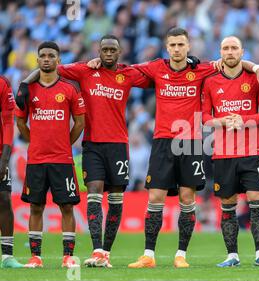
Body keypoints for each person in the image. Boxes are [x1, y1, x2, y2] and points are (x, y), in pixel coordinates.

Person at [123, 27, 259, 268]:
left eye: (181, 44)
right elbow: (128, 72)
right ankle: (148, 255)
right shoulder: (156, 67)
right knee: (155, 198)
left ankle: (181, 254)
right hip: (162, 140)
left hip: (191, 142)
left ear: (188, 46)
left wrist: (257, 67)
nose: (177, 49)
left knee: (187, 198)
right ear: (167, 46)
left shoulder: (203, 69)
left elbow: (233, 61)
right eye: (172, 45)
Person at [16, 35, 152, 268]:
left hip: (119, 143)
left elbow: (155, 76)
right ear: (98, 51)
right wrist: (24, 84)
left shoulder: (128, 74)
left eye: (113, 50)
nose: (108, 53)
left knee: (116, 200)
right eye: (104, 49)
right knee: (94, 193)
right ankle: (96, 250)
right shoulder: (84, 71)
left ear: (119, 53)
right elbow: (49, 67)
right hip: (92, 145)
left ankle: (105, 253)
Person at [202, 36, 259, 267]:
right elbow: (204, 118)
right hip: (223, 154)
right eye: (225, 48)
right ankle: (232, 255)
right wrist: (223, 121)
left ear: (242, 52)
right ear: (220, 52)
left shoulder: (255, 78)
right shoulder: (210, 82)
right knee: (228, 203)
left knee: (256, 199)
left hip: (250, 151)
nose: (230, 52)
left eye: (234, 48)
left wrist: (243, 120)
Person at [15, 41, 85, 268]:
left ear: (59, 60)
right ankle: (35, 257)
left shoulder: (69, 88)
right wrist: (33, 140)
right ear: (37, 60)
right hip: (36, 159)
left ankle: (68, 257)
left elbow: (80, 122)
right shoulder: (28, 90)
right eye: (43, 55)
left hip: (62, 160)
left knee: (66, 207)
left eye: (51, 55)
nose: (46, 59)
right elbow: (20, 120)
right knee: (36, 207)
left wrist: (65, 143)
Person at [0, 75, 23, 268]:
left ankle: (7, 256)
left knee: (4, 199)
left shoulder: (2, 83)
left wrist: (5, 158)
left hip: (0, 153)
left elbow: (8, 121)